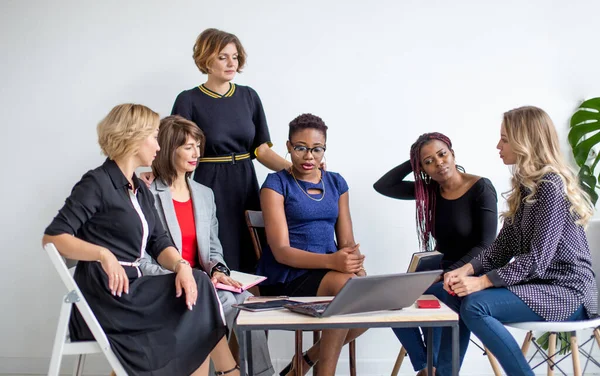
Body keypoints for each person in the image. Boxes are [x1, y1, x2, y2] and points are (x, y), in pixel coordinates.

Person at [42, 104, 239, 376]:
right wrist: (103, 255)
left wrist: (181, 266)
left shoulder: (138, 188)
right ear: (133, 138)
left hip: (134, 288)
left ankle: (226, 372)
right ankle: (231, 372)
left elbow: (159, 241)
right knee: (200, 292)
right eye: (155, 137)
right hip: (108, 296)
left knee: (197, 283)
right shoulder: (96, 183)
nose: (159, 147)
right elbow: (53, 237)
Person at [441, 106, 598, 376]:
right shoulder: (526, 186)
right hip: (540, 287)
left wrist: (482, 281)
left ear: (525, 141)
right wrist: (464, 271)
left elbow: (538, 260)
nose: (498, 145)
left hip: (569, 293)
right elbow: (502, 248)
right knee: (454, 296)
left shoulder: (551, 185)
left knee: (475, 305)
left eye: (505, 138)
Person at [142, 28, 291, 273]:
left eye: (235, 56)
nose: (231, 62)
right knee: (217, 249)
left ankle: (252, 305)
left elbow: (261, 151)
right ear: (206, 59)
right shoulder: (188, 99)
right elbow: (174, 147)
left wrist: (299, 171)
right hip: (208, 183)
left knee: (254, 249)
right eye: (223, 57)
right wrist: (156, 174)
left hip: (245, 182)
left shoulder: (249, 97)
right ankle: (219, 303)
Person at [139, 115, 274, 376]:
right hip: (168, 284)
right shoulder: (146, 192)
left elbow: (213, 248)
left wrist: (218, 271)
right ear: (168, 149)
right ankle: (228, 371)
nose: (196, 153)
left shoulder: (204, 194)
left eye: (198, 146)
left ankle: (259, 374)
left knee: (250, 307)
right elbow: (142, 258)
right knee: (209, 307)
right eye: (188, 147)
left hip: (204, 283)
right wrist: (181, 275)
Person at [373, 132, 498, 375]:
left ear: (453, 154)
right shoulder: (430, 190)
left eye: (442, 154)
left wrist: (449, 273)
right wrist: (413, 160)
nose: (439, 163)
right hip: (439, 271)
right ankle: (425, 366)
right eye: (429, 161)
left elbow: (487, 244)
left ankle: (440, 369)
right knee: (389, 295)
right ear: (422, 168)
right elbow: (383, 186)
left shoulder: (481, 187)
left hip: (473, 272)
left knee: (439, 296)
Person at [256, 113, 366, 376]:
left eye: (316, 149)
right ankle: (324, 373)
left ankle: (304, 361)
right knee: (348, 288)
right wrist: (333, 262)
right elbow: (281, 251)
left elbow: (347, 240)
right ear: (288, 146)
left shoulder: (337, 183)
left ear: (324, 149)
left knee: (368, 297)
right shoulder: (276, 184)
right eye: (300, 148)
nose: (309, 156)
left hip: (332, 270)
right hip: (287, 273)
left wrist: (355, 263)